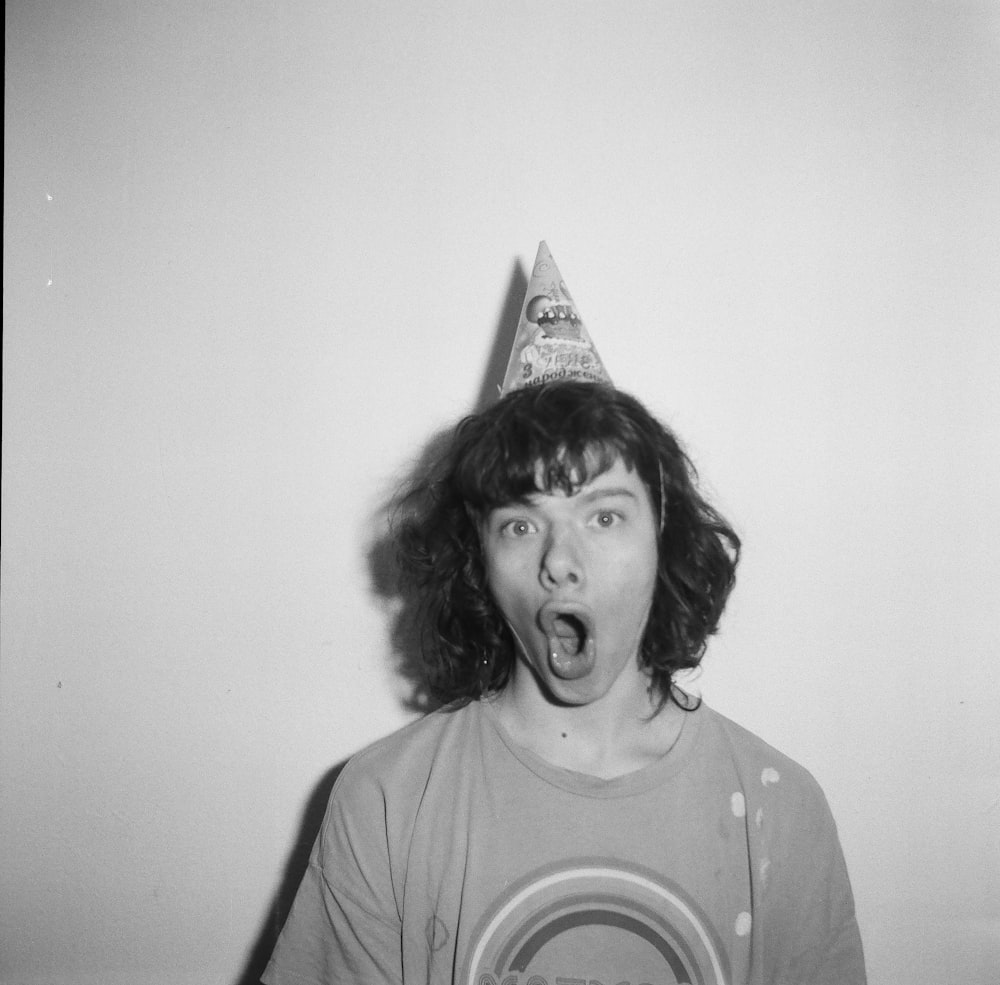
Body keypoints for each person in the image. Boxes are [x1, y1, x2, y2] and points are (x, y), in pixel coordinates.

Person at [261, 246, 866, 985]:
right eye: (521, 523)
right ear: (476, 560)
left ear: (662, 535)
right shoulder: (387, 800)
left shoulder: (780, 810)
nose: (560, 558)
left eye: (604, 516)